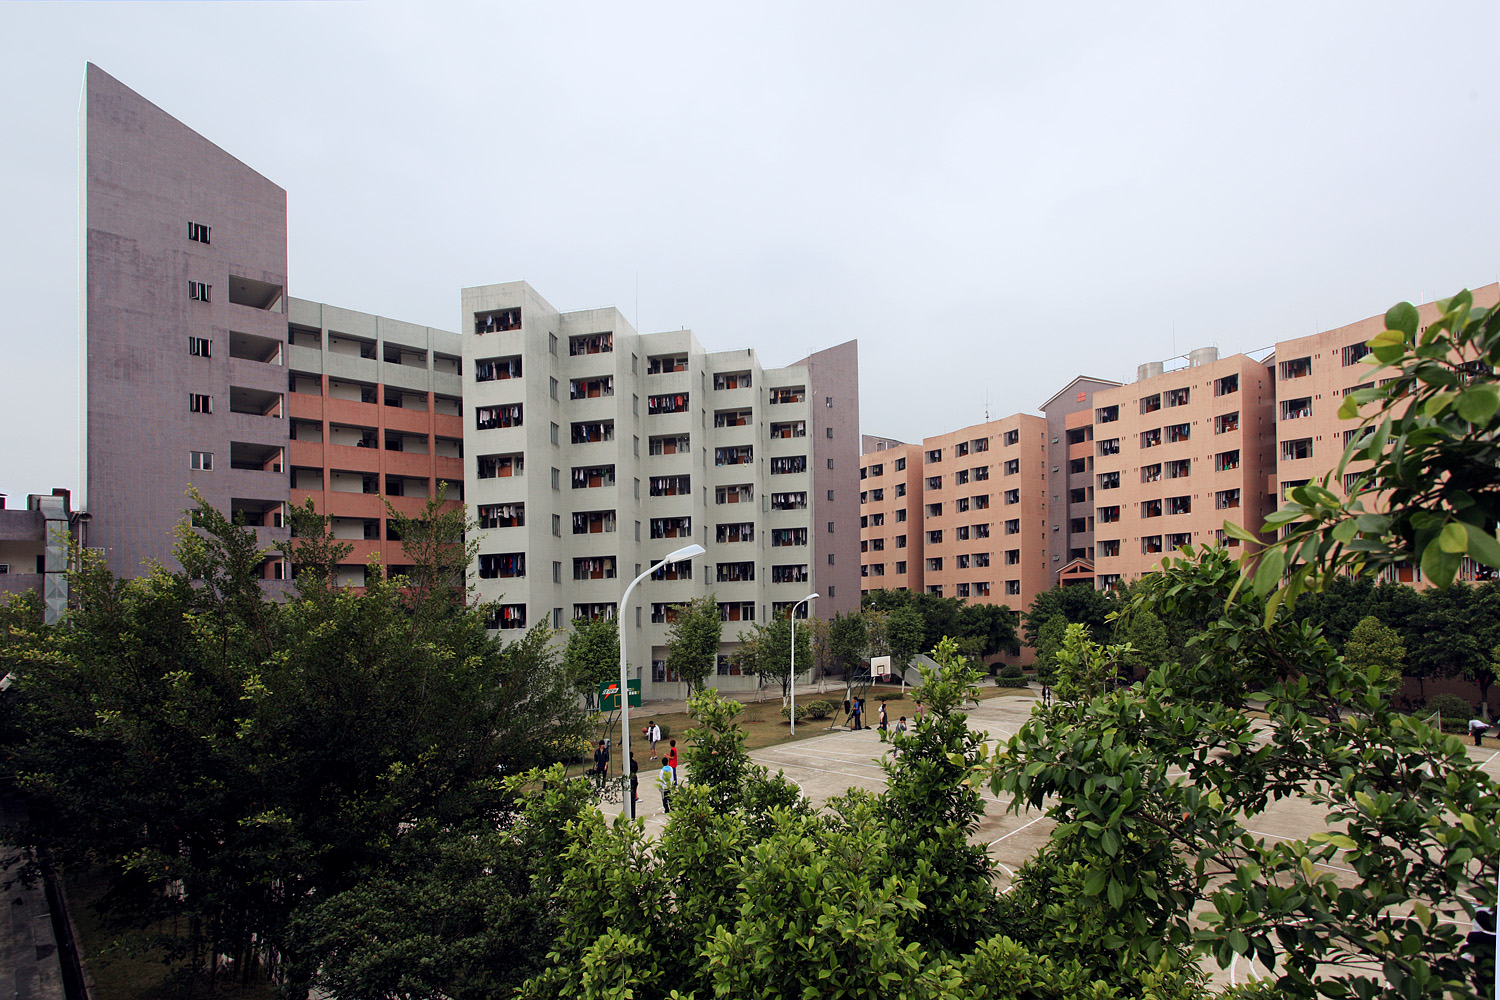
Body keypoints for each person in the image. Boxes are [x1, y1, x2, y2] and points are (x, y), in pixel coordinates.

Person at [628, 753, 639, 818]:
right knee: (632, 803)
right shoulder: (634, 763)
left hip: (630, 788)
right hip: (633, 788)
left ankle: (628, 815)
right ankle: (632, 816)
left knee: (628, 802)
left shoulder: (627, 762)